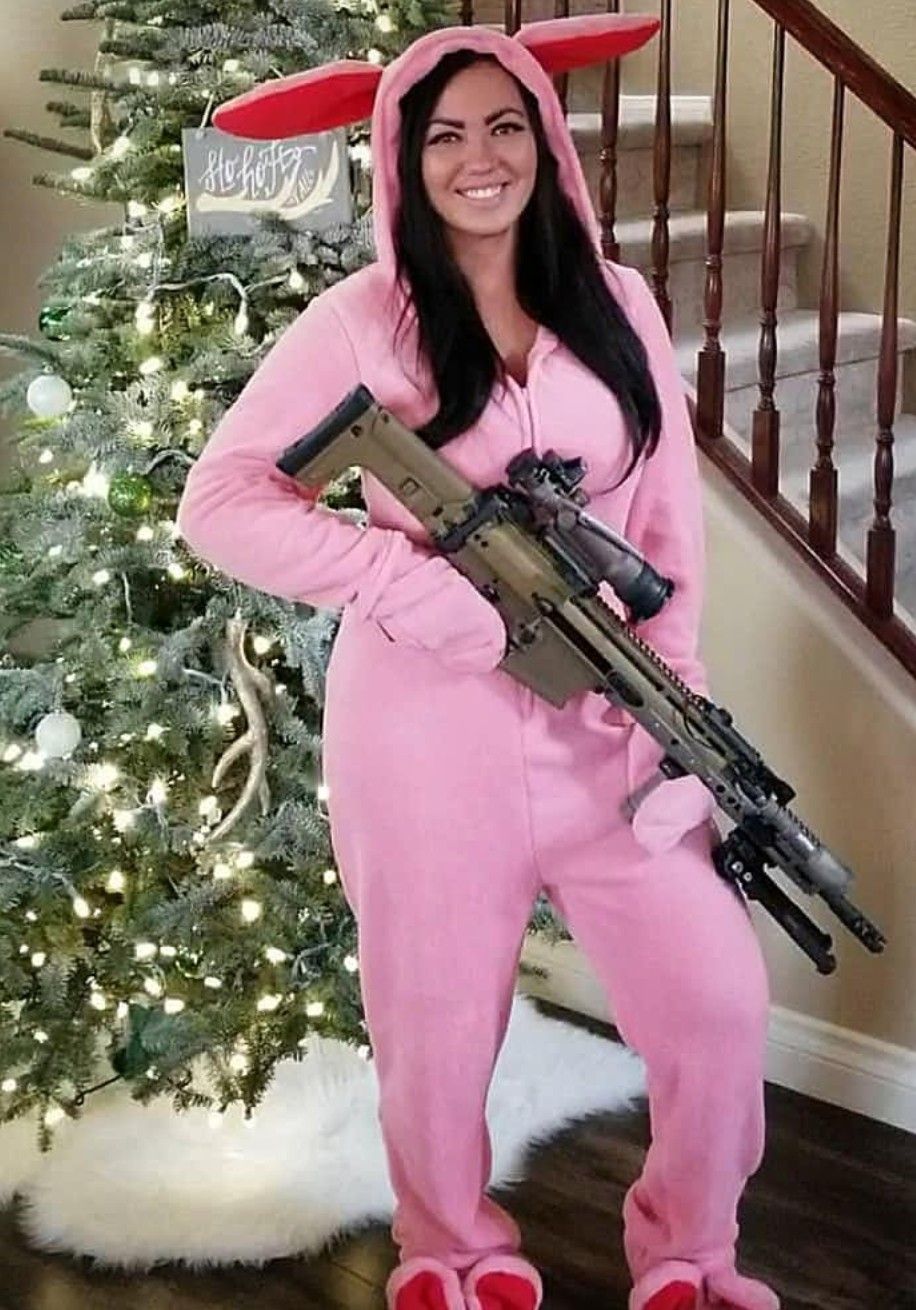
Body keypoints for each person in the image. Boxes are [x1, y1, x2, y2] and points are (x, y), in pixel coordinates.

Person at [176, 16, 780, 1310]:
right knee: (436, 1024)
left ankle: (691, 1255)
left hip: (607, 726)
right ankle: (449, 1248)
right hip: (422, 733)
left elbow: (665, 532)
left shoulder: (615, 303)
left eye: (506, 125)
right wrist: (409, 585)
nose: (479, 156)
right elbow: (218, 501)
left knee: (720, 1003)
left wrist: (677, 715)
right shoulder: (358, 322)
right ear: (406, 160)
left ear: (546, 141)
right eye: (444, 135)